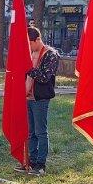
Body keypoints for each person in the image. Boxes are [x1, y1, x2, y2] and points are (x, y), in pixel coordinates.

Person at [24, 26, 60, 175]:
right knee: (30, 132)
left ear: (38, 39)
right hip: (27, 96)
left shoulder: (50, 54)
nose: (29, 48)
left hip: (41, 98)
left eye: (30, 44)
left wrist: (27, 68)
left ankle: (41, 164)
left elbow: (45, 76)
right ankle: (31, 161)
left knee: (40, 132)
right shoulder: (29, 52)